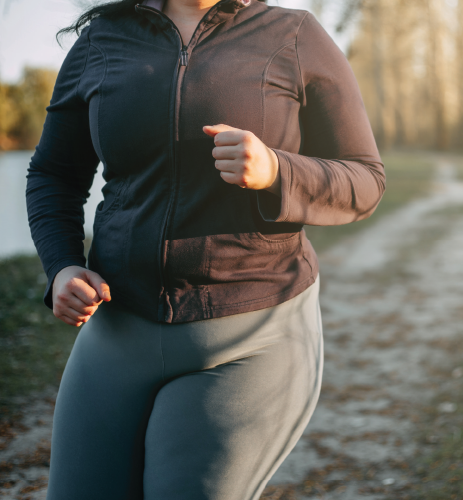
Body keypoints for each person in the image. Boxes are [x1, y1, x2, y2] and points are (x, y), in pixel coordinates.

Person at [26, 0, 385, 498]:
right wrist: (62, 265)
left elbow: (365, 180)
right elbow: (53, 173)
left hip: (248, 337)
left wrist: (279, 171)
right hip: (116, 329)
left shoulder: (293, 35)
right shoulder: (104, 38)